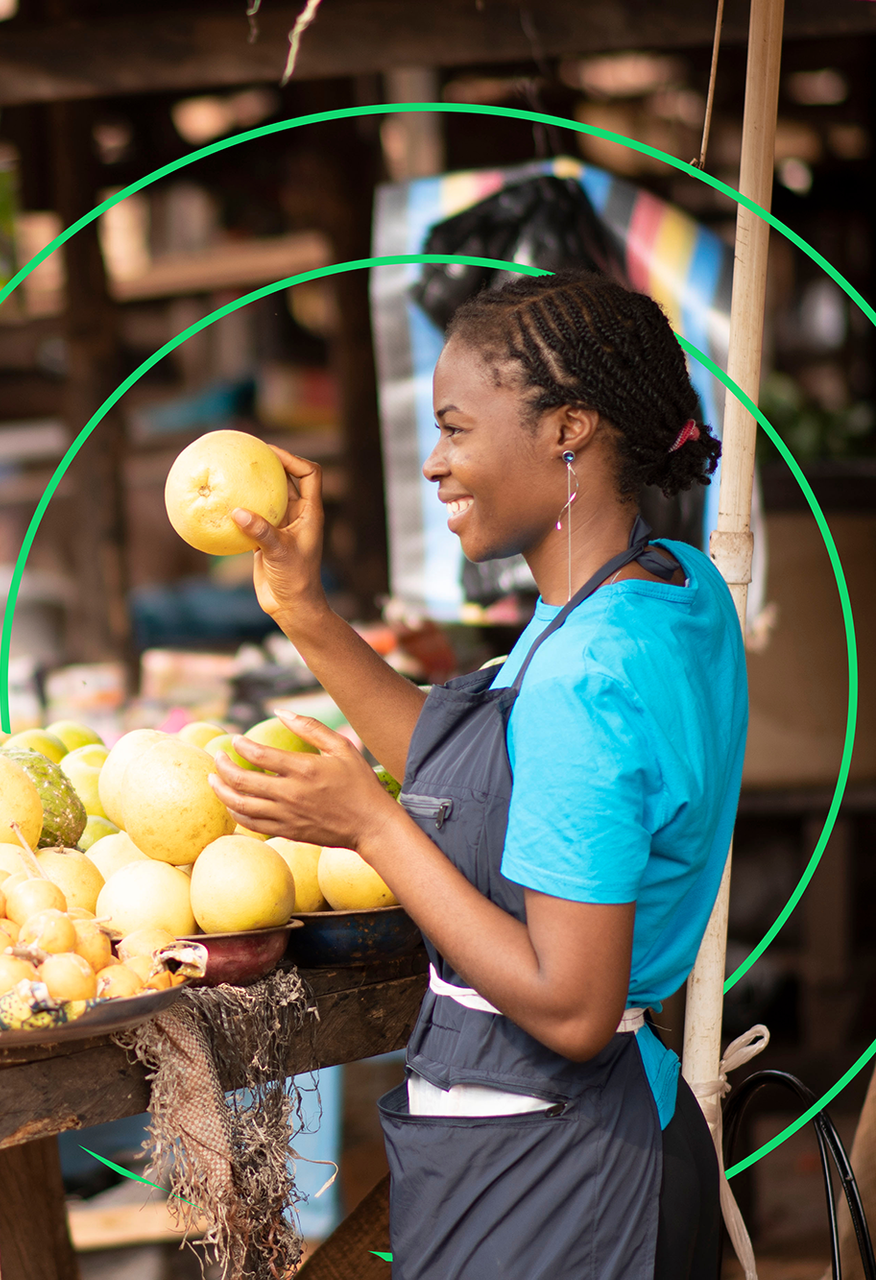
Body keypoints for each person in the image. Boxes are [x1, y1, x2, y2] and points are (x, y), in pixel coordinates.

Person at [212, 271, 742, 1280]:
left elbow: (573, 1005)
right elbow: (498, 780)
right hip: (567, 1149)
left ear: (568, 429)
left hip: (560, 1180)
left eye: (456, 428)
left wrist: (375, 829)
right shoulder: (661, 586)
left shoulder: (587, 674)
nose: (432, 463)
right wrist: (303, 608)